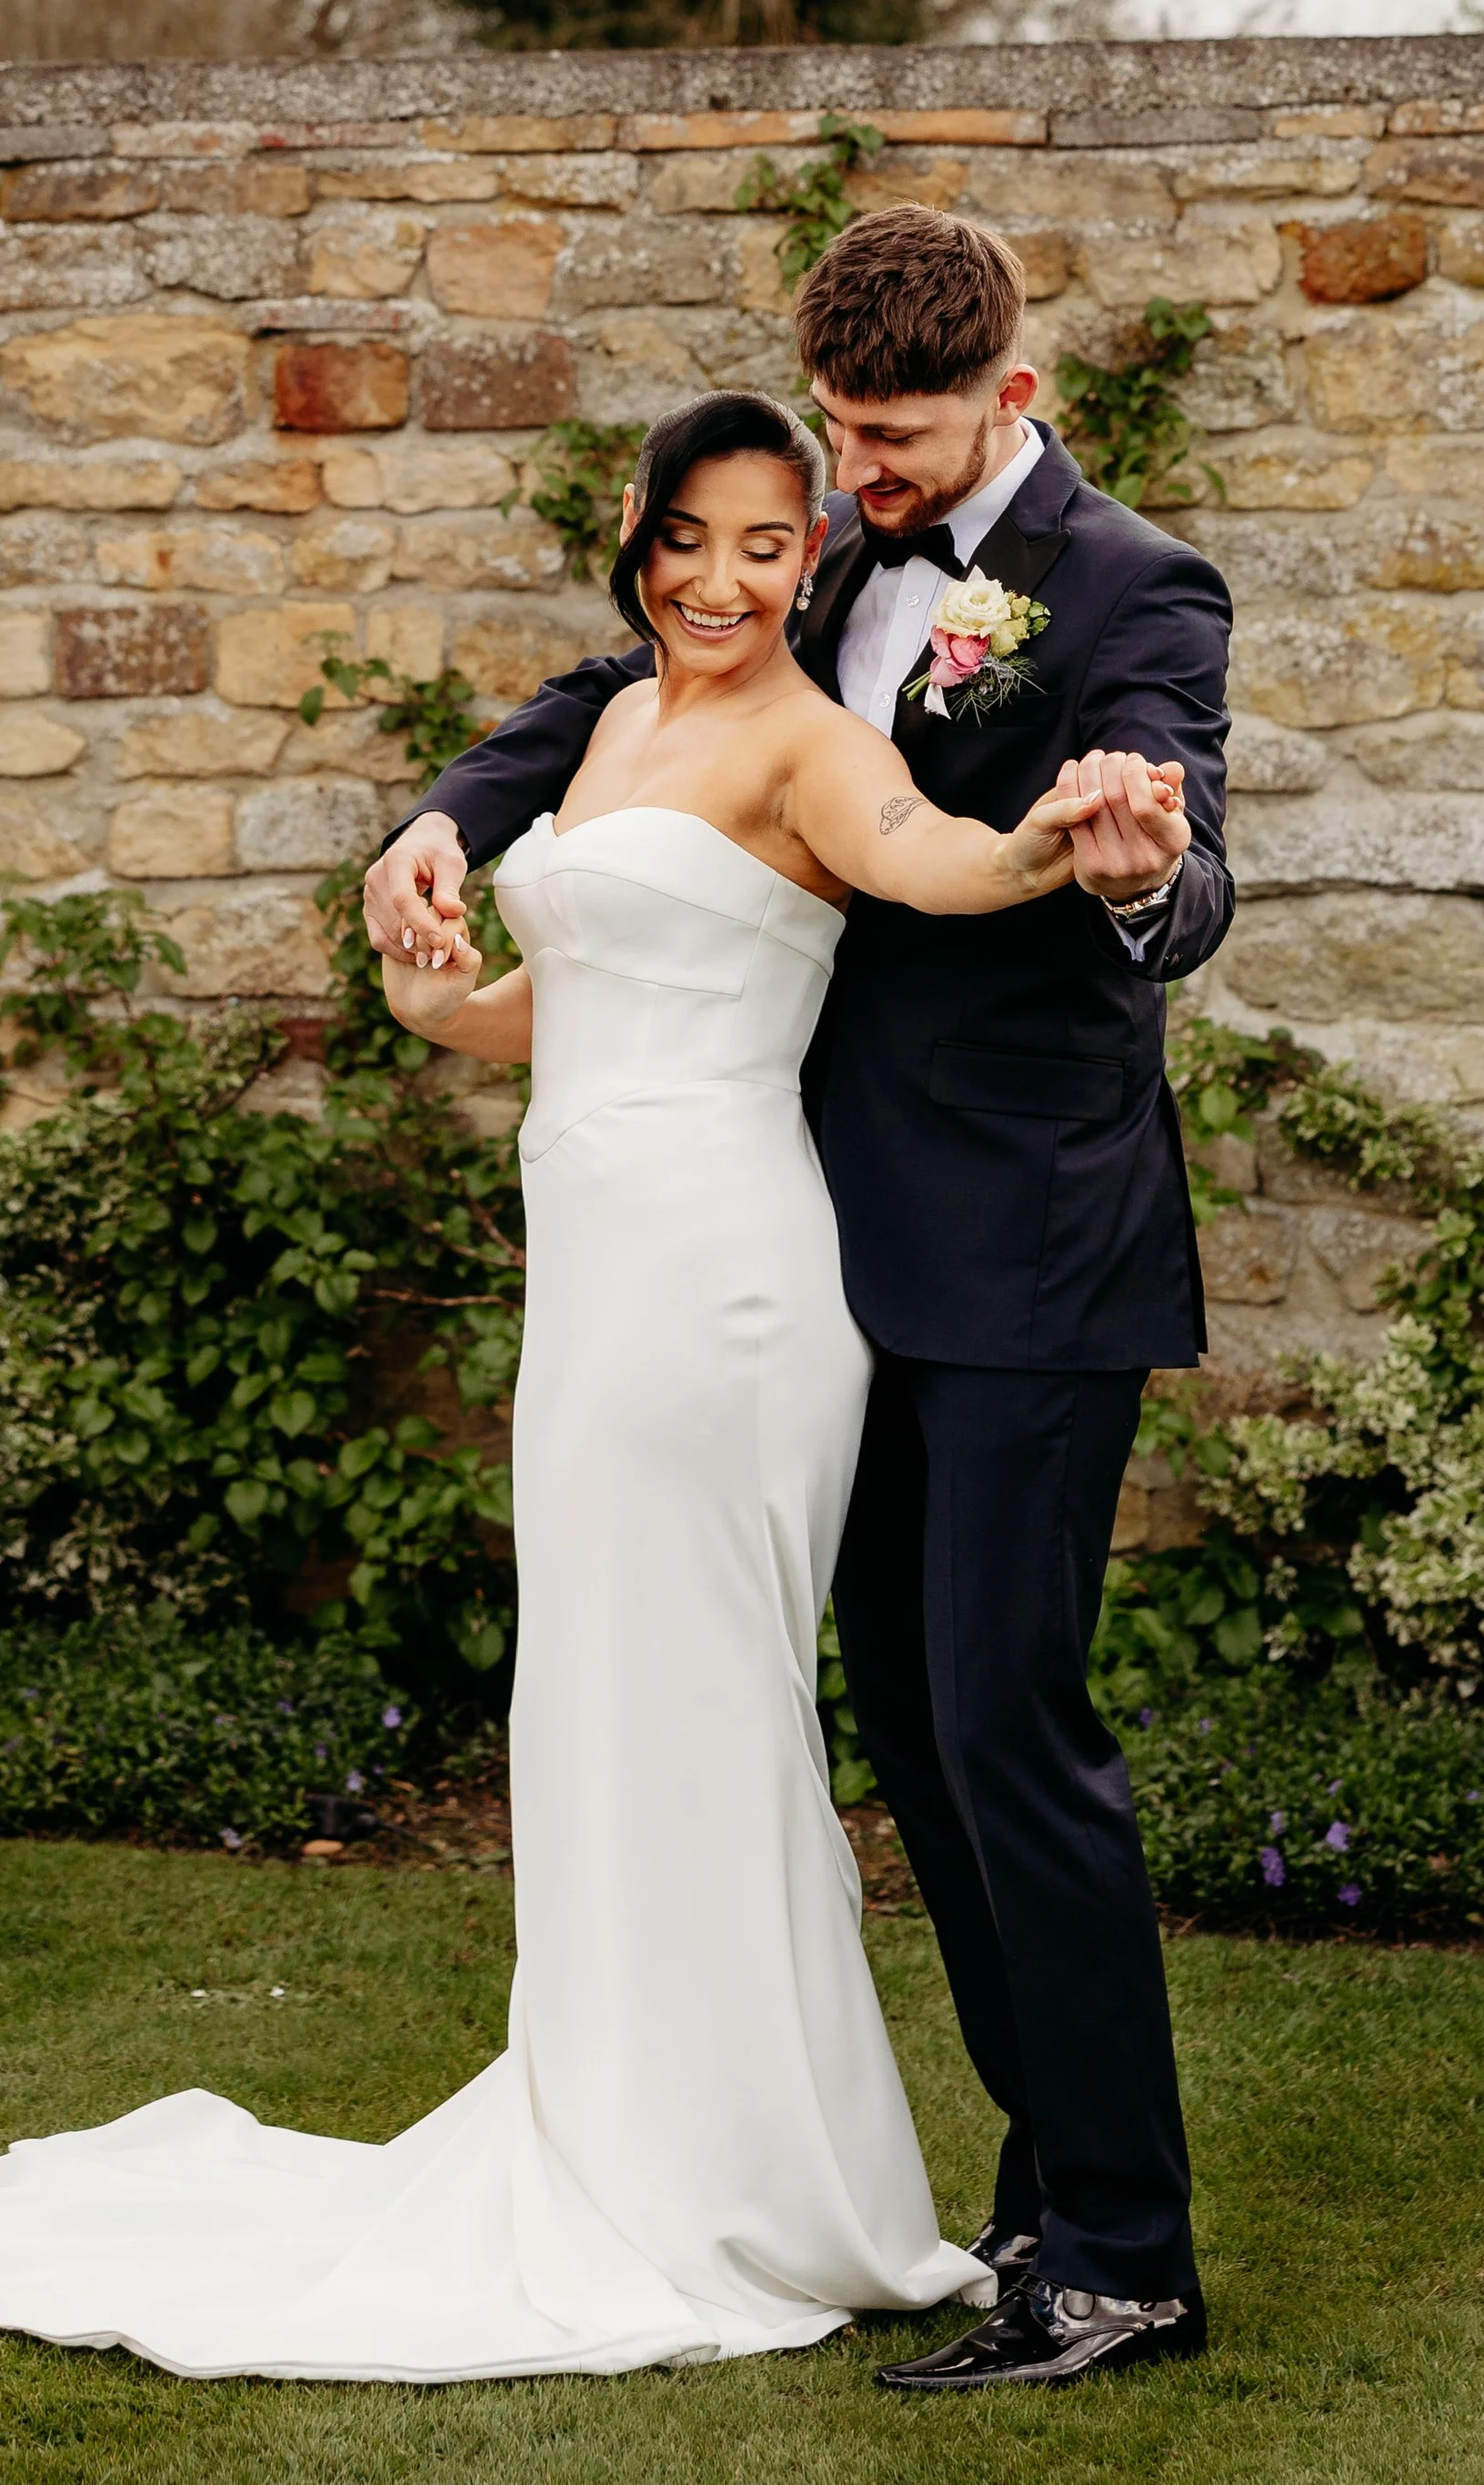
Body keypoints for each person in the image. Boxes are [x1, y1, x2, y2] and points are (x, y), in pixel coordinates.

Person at [0, 383, 1174, 2385]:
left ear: (809, 547)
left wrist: (1062, 846)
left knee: (708, 1697)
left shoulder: (822, 739)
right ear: (642, 538)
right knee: (597, 1695)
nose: (729, 577)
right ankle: (633, 2137)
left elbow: (929, 863)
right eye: (693, 540)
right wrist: (430, 963)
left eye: (769, 544)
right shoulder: (621, 718)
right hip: (598, 1263)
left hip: (723, 1286)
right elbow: (564, 1004)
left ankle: (749, 2187)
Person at [366, 203, 1235, 2393]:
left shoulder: (1129, 589)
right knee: (922, 1761)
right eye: (839, 430)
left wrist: (1131, 858)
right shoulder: (835, 549)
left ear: (1009, 399)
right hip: (814, 1255)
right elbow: (615, 698)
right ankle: (1039, 2208)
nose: (858, 476)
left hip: (1027, 1253)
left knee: (1009, 1741)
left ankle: (1123, 2251)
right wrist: (439, 816)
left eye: (898, 438)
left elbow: (1166, 817)